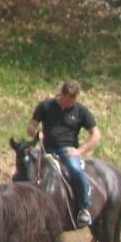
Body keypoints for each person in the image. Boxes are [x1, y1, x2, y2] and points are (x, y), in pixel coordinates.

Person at [27, 80, 101, 227]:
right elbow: (31, 126)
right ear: (61, 94)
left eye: (72, 100)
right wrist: (35, 133)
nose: (69, 103)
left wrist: (79, 151)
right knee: (25, 167)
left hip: (67, 151)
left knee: (76, 171)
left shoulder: (81, 111)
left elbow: (96, 135)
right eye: (67, 99)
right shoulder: (46, 106)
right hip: (46, 149)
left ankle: (83, 208)